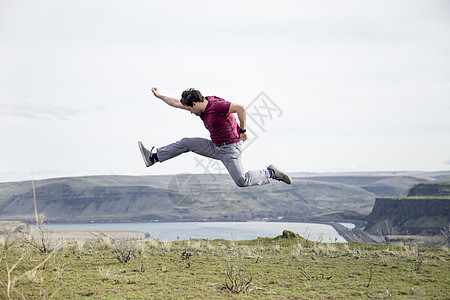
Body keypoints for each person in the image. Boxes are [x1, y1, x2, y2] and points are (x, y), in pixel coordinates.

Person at [138, 87, 292, 187]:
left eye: (190, 109)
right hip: (215, 145)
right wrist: (159, 96)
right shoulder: (200, 105)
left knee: (241, 181)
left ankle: (271, 173)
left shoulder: (216, 105)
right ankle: (153, 157)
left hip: (230, 149)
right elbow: (177, 103)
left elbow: (240, 108)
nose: (190, 112)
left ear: (196, 104)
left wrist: (243, 130)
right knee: (187, 143)